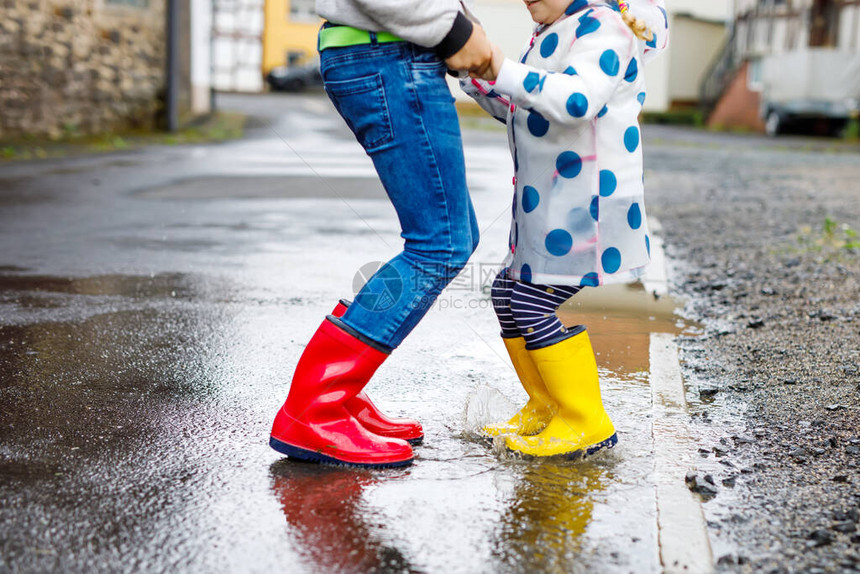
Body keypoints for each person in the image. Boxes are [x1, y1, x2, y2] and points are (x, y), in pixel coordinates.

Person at [269, 2, 494, 468]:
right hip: (388, 56)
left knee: (454, 236)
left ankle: (336, 399)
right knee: (439, 243)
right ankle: (316, 407)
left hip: (387, 53)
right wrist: (454, 30)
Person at [461, 0, 669, 458]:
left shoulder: (604, 27)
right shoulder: (557, 29)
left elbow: (575, 101)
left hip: (590, 205)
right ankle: (546, 405)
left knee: (531, 300)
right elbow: (527, 109)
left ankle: (584, 421)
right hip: (549, 205)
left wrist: (501, 65)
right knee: (506, 292)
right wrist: (479, 76)